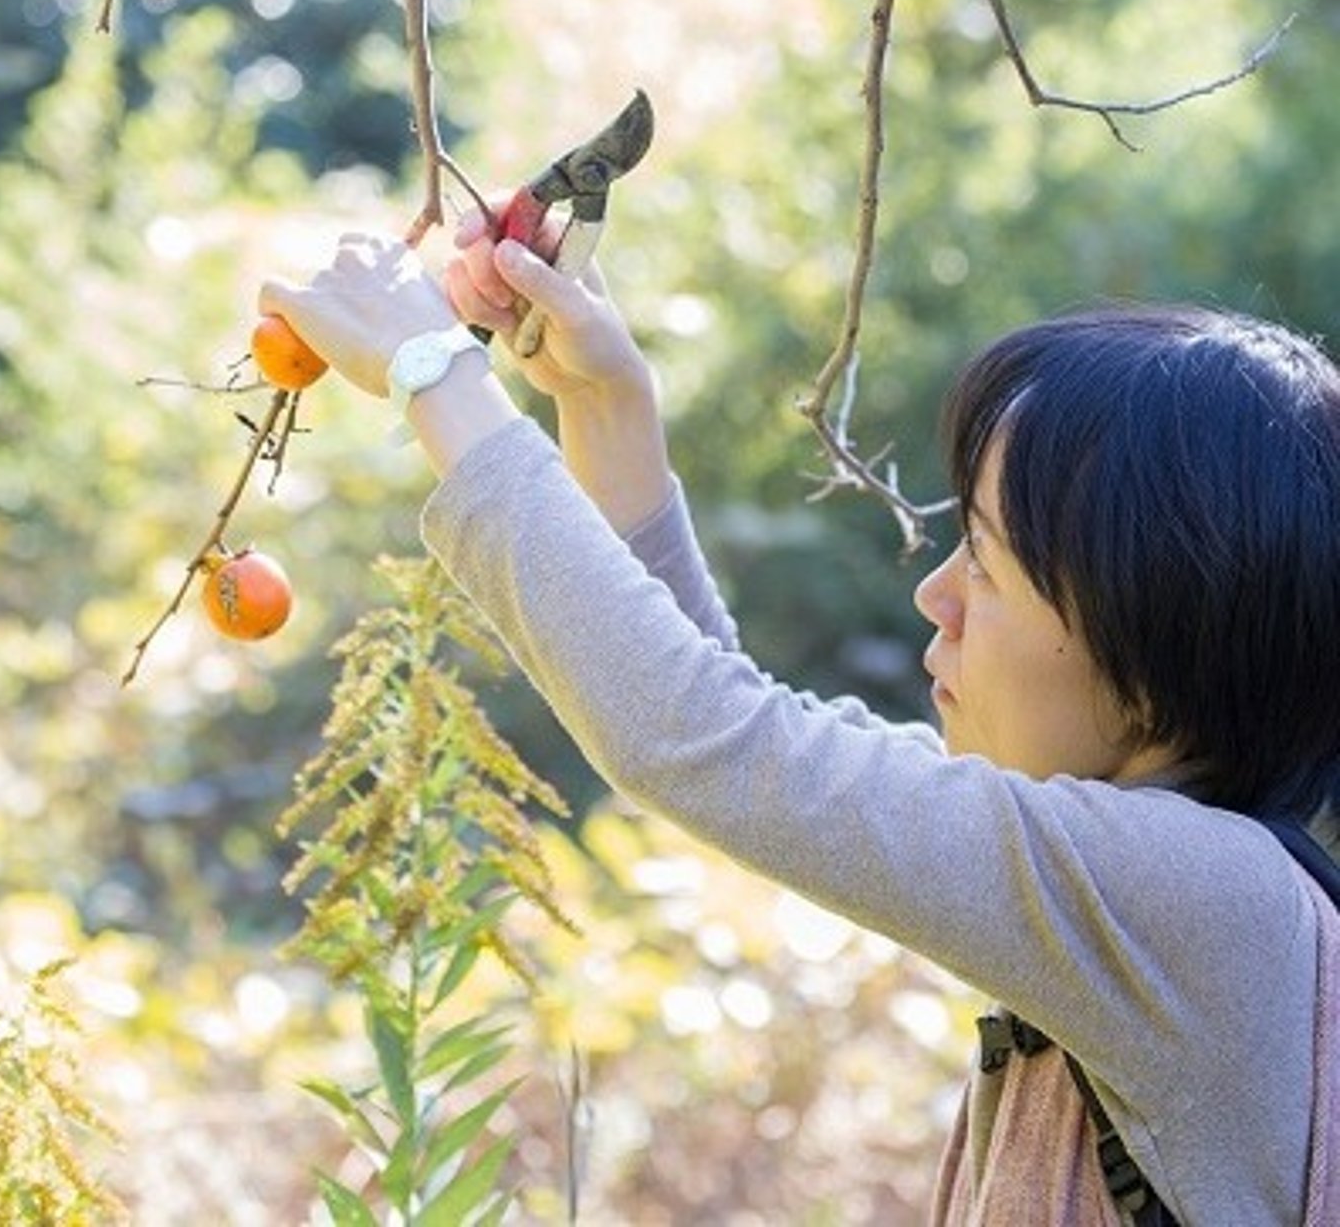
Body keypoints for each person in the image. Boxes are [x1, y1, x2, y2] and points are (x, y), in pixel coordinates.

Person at [260, 217, 1340, 1225]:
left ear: (1151, 648)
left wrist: (433, 373)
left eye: (990, 563)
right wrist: (603, 405)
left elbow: (705, 740)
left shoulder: (1200, 900)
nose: (938, 596)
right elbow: (730, 734)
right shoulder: (1139, 883)